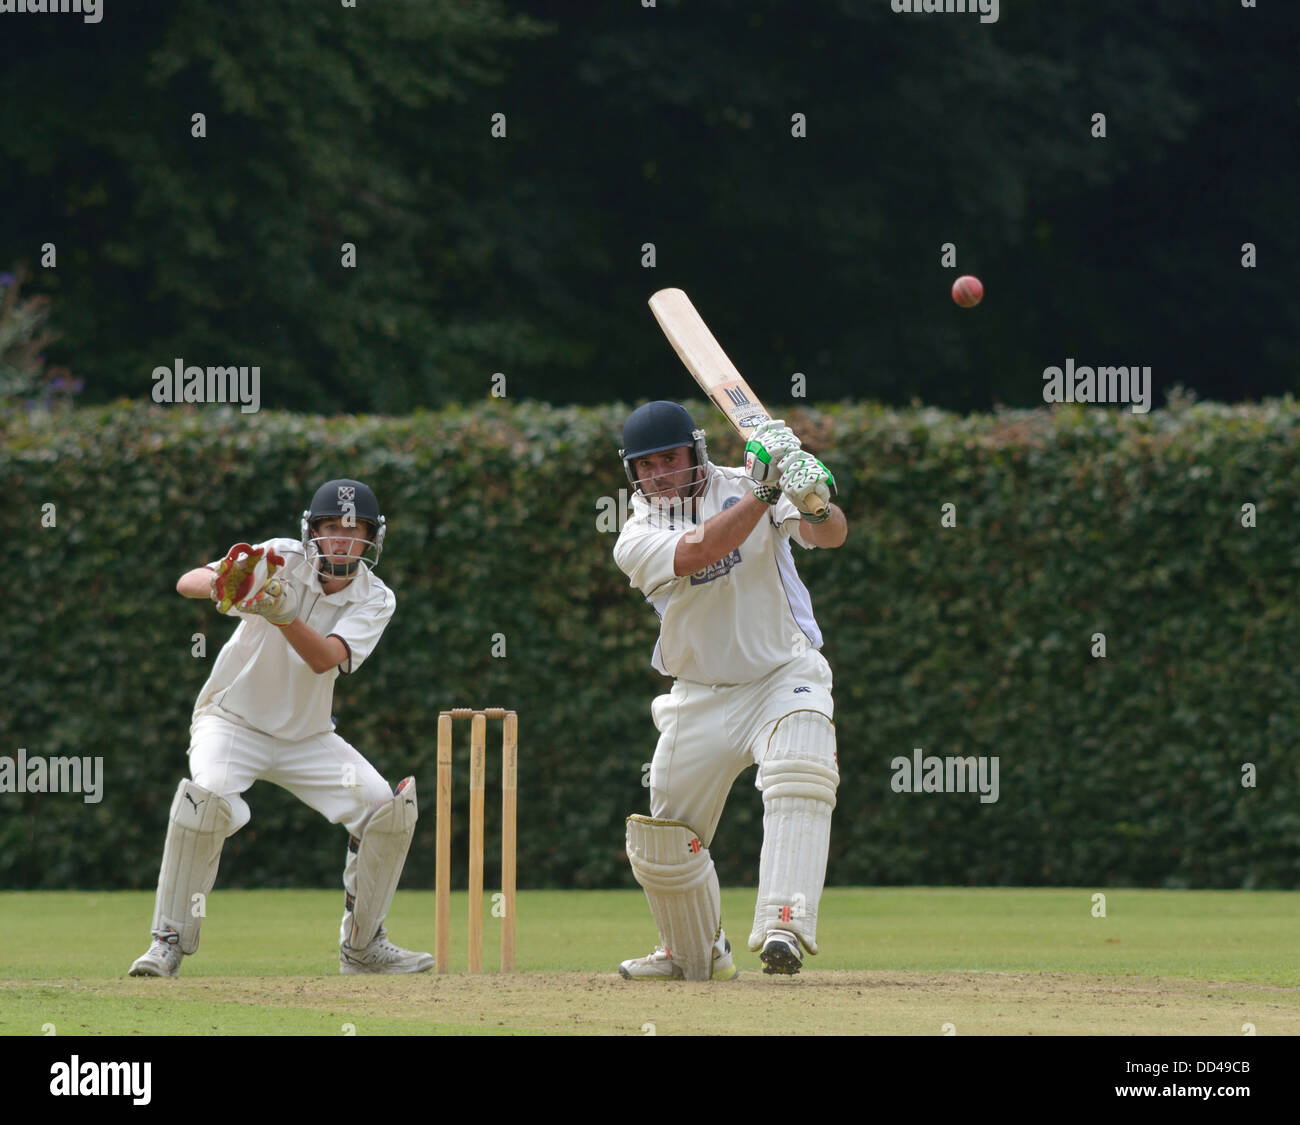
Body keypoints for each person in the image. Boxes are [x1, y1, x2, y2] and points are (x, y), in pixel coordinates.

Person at [129, 479, 433, 977]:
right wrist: (230, 585)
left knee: (387, 811)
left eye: (354, 531)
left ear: (372, 540)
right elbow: (188, 580)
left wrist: (283, 614)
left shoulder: (376, 598)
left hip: (307, 736)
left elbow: (325, 660)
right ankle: (167, 942)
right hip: (231, 723)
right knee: (205, 801)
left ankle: (363, 948)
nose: (341, 540)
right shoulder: (278, 557)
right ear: (311, 532)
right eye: (331, 528)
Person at [612, 401, 847, 979]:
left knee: (800, 772)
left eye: (670, 458)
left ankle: (783, 925)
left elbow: (834, 535)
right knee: (665, 842)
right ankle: (693, 954)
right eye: (647, 465)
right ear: (632, 472)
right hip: (699, 693)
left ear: (696, 449)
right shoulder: (637, 531)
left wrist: (813, 492)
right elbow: (699, 552)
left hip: (783, 674)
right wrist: (765, 496)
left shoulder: (748, 482)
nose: (660, 473)